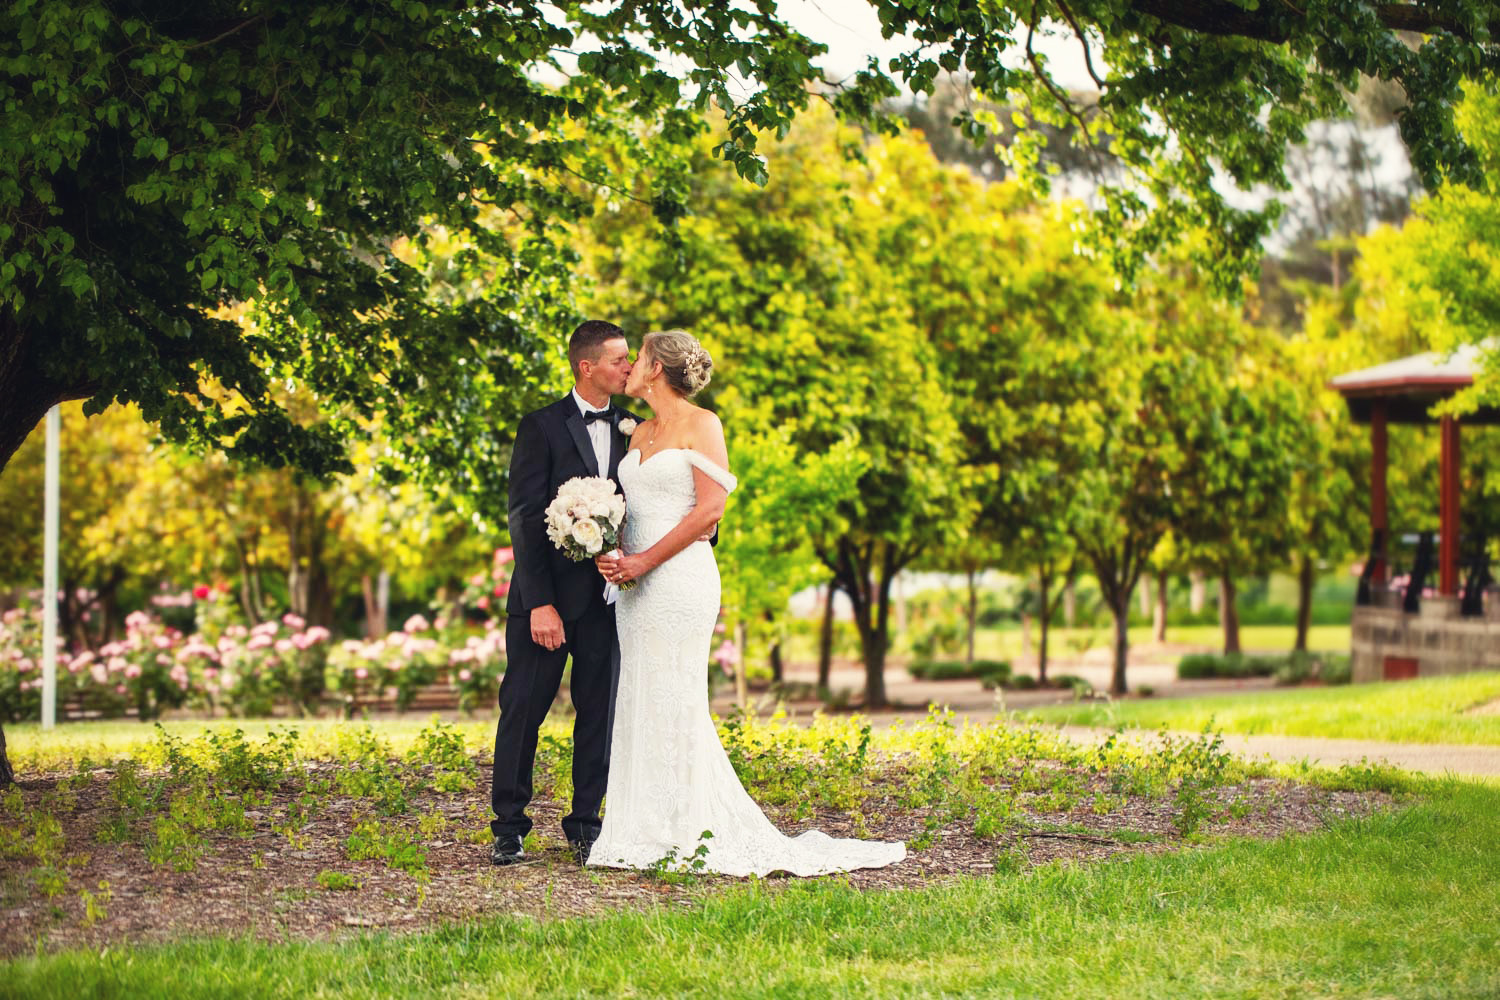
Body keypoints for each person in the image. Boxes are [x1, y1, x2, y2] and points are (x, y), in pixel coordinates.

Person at [591, 330, 905, 876]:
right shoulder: (638, 430)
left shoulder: (703, 424)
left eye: (639, 357)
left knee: (677, 693)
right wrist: (613, 550)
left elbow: (709, 513)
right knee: (641, 693)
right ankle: (641, 830)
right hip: (634, 591)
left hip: (679, 582)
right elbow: (633, 506)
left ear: (658, 369)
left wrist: (643, 562)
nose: (631, 366)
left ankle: (691, 828)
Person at [490, 320, 639, 866]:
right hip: (545, 605)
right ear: (587, 367)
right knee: (522, 711)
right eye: (620, 360)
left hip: (608, 605)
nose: (628, 368)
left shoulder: (635, 428)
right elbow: (525, 519)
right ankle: (508, 827)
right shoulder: (541, 427)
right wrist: (539, 603)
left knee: (598, 716)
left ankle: (585, 826)